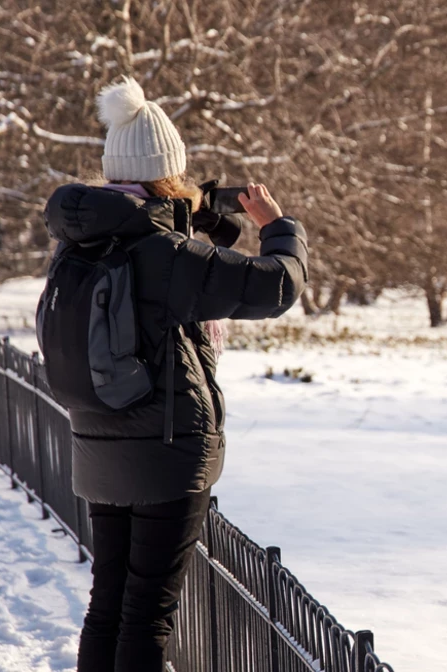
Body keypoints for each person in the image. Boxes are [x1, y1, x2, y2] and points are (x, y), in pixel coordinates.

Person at [46, 77, 308, 672]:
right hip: (165, 453)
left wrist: (202, 215)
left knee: (107, 605)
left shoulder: (80, 239)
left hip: (98, 442)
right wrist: (279, 227)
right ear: (172, 172)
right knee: (146, 618)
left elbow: (180, 268)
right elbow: (274, 284)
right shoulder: (162, 253)